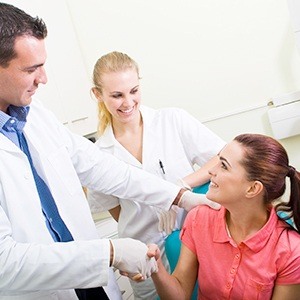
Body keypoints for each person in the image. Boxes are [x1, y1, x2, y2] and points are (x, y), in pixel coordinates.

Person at [0, 3, 222, 300]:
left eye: (42, 65)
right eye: (31, 69)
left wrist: (179, 195)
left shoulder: (35, 114)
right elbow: (5, 262)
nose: (44, 78)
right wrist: (111, 252)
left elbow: (100, 168)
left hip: (93, 282)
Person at [88, 51, 226, 299]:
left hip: (195, 245)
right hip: (146, 257)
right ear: (97, 95)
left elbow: (221, 157)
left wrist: (180, 189)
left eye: (134, 91)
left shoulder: (172, 120)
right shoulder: (98, 154)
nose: (128, 102)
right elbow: (117, 211)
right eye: (117, 95)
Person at [147, 133, 300, 299]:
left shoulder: (291, 251)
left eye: (224, 166)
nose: (211, 171)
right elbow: (180, 293)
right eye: (218, 161)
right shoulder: (199, 218)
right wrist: (156, 269)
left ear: (252, 189)